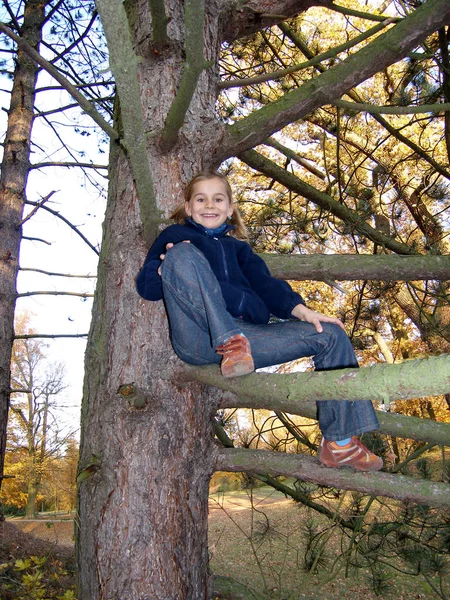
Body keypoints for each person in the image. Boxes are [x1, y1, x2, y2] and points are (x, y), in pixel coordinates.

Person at [136, 171, 383, 472]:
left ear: (229, 209)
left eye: (218, 199)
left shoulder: (240, 250)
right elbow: (147, 289)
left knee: (330, 334)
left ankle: (340, 444)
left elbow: (268, 287)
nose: (209, 205)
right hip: (199, 338)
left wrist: (303, 311)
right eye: (200, 199)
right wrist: (162, 271)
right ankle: (229, 342)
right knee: (182, 255)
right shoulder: (174, 238)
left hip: (249, 338)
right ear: (188, 207)